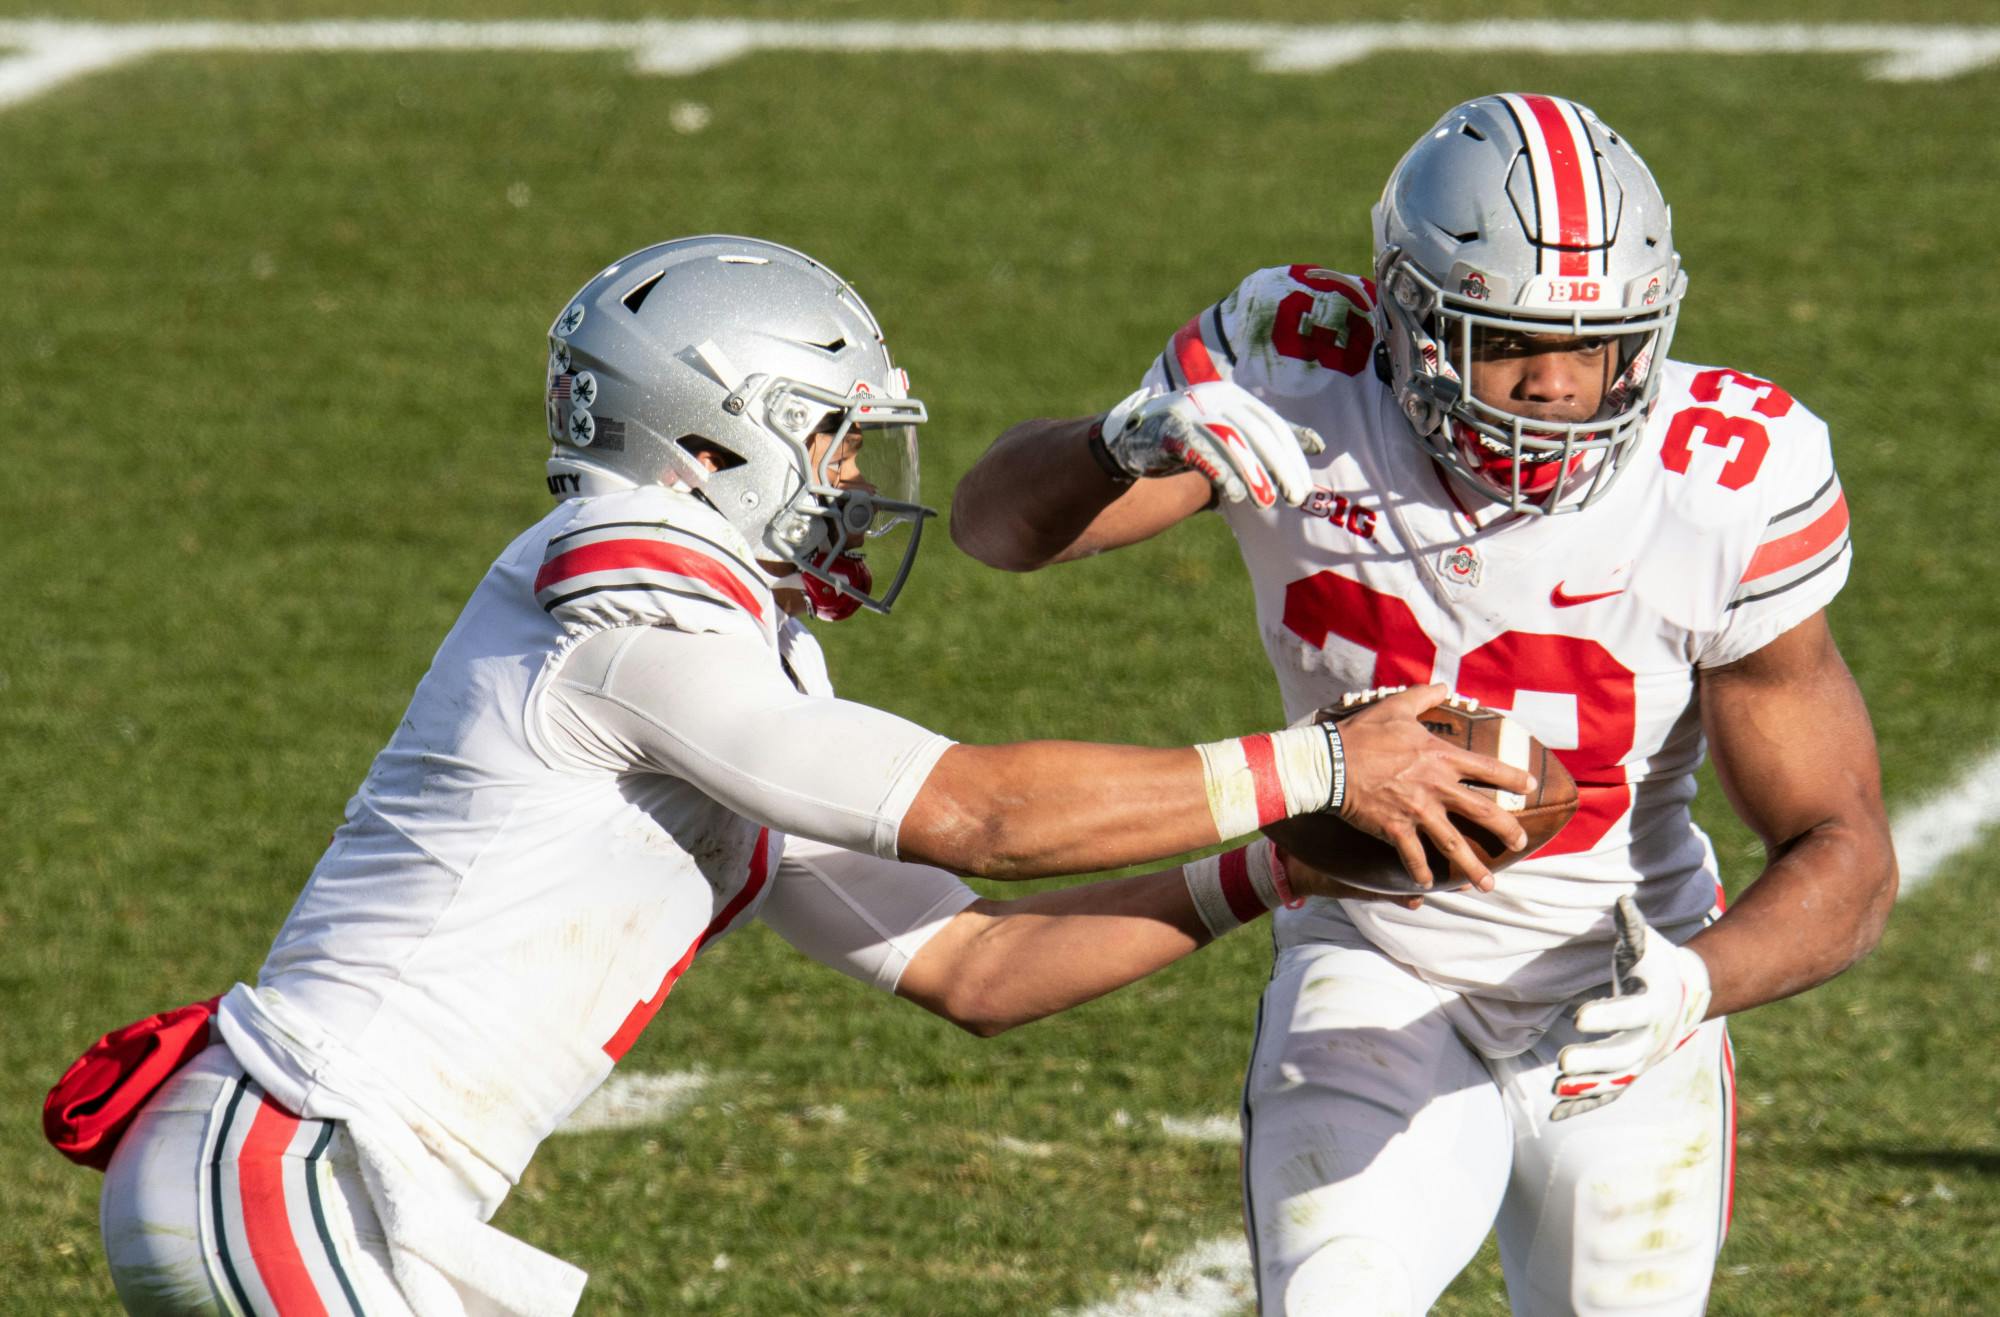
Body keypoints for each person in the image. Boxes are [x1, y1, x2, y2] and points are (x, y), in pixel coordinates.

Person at [75, 235, 1536, 1317]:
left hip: (336, 1180)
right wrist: (1323, 758)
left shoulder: (711, 665)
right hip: (302, 1155)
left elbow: (976, 962)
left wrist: (1273, 866)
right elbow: (985, 813)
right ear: (711, 440)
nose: (847, 477)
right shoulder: (635, 619)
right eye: (829, 436)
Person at [951, 94, 1898, 1315]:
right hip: (1370, 943)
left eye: (1598, 344)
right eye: (1506, 342)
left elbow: (1845, 849)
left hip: (1617, 969)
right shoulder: (1292, 373)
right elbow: (996, 533)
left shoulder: (1725, 477)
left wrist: (1692, 983)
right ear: (1401, 314)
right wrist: (1120, 441)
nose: (1557, 386)